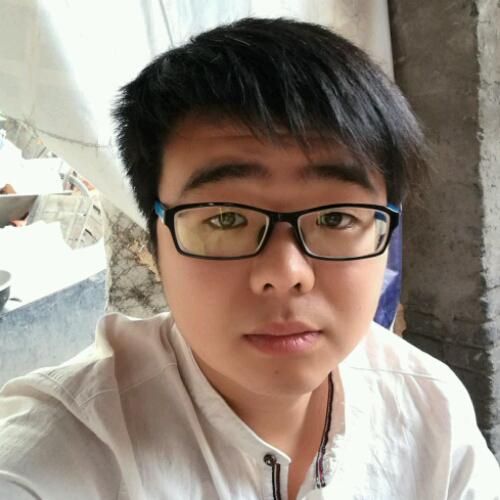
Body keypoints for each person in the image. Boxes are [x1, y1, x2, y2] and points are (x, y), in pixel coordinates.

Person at [0, 17, 498, 500]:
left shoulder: (429, 407)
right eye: (225, 219)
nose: (285, 274)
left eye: (336, 218)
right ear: (155, 242)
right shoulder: (57, 455)